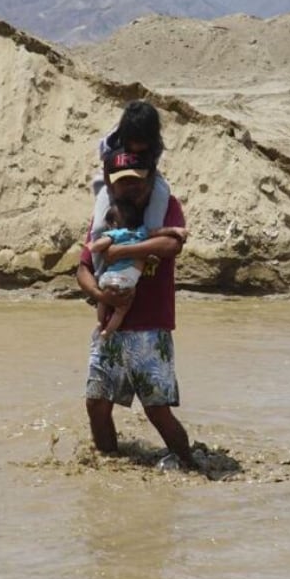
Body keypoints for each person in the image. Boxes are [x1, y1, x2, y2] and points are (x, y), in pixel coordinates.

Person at [76, 145, 196, 469]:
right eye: (122, 182)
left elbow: (172, 244)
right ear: (111, 182)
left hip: (152, 332)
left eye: (137, 182)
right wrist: (102, 298)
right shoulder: (107, 215)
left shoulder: (166, 207)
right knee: (96, 404)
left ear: (150, 179)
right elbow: (83, 269)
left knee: (156, 409)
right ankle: (108, 464)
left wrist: (124, 251)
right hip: (111, 331)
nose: (130, 188)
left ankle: (189, 464)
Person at [86, 197, 189, 338]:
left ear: (114, 224)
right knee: (121, 310)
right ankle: (108, 331)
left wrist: (99, 248)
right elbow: (158, 232)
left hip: (108, 278)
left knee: (103, 301)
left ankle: (100, 323)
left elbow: (173, 245)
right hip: (128, 281)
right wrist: (174, 229)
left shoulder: (115, 234)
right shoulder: (141, 233)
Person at [91, 99, 172, 234]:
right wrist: (115, 195)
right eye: (134, 142)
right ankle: (96, 253)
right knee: (98, 227)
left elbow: (151, 171)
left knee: (161, 196)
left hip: (144, 174)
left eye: (142, 143)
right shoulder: (111, 143)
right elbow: (106, 170)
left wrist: (143, 195)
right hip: (114, 175)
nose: (137, 147)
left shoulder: (155, 147)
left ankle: (150, 238)